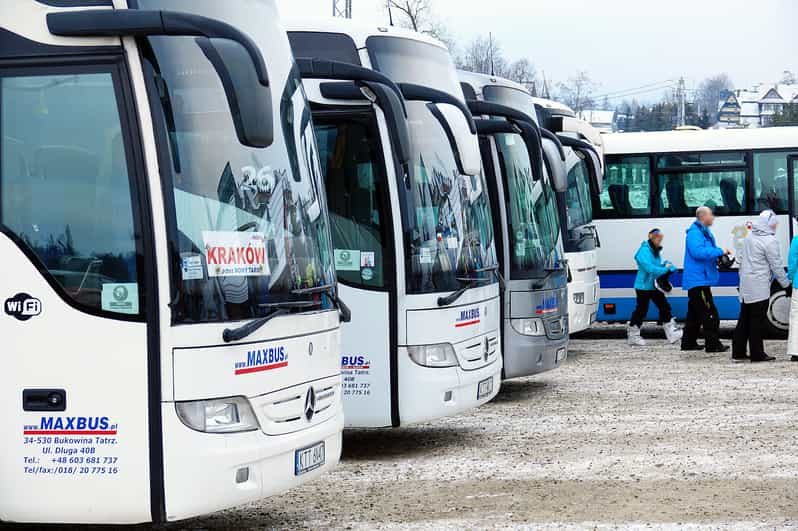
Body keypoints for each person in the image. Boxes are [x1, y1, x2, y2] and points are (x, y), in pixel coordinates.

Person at [733, 210, 790, 362]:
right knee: (757, 321)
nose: (776, 225)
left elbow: (741, 258)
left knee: (744, 318)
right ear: (768, 224)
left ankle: (737, 351)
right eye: (774, 223)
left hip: (746, 285)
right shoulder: (769, 241)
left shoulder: (749, 236)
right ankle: (757, 354)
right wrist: (786, 285)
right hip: (759, 285)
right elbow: (776, 266)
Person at [682, 206, 732, 352]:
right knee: (710, 313)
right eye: (711, 215)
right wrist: (720, 251)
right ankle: (713, 344)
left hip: (700, 279)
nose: (713, 217)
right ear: (703, 216)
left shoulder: (703, 232)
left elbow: (704, 253)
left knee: (694, 314)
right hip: (698, 281)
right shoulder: (695, 233)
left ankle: (688, 343)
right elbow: (698, 252)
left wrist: (718, 258)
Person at [627, 229, 682, 346]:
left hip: (653, 285)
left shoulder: (654, 251)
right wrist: (666, 269)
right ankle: (633, 335)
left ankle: (672, 333)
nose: (660, 242)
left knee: (665, 307)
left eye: (661, 240)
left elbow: (656, 267)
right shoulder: (643, 251)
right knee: (641, 310)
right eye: (658, 239)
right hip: (643, 287)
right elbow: (650, 269)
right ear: (652, 238)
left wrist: (666, 265)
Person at [786, 228, 798, 362]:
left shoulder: (796, 240)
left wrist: (792, 277)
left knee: (796, 317)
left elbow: (793, 264)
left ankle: (796, 351)